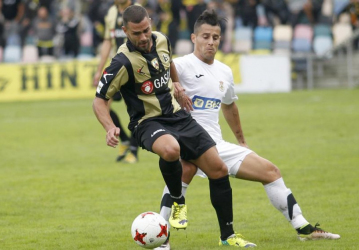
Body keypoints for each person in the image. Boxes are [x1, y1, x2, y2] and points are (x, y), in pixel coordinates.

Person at [155, 9, 341, 250]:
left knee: (271, 171)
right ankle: (161, 238)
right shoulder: (179, 66)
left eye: (215, 37)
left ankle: (304, 228)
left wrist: (242, 142)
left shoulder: (224, 71)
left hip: (216, 145)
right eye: (205, 36)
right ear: (193, 38)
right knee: (184, 171)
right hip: (188, 141)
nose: (211, 42)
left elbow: (229, 105)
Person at [93, 4, 256, 248]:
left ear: (150, 22)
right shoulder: (121, 63)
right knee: (171, 150)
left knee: (218, 169)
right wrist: (108, 126)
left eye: (146, 30)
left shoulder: (161, 40)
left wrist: (177, 84)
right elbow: (99, 101)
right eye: (136, 33)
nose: (144, 37)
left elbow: (169, 64)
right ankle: (178, 200)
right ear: (125, 31)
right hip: (146, 122)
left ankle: (228, 236)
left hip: (177, 116)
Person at [92, 0, 138, 163]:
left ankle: (133, 151)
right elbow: (107, 41)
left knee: (135, 110)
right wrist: (99, 70)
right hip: (117, 67)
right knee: (103, 105)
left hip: (134, 67)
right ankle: (124, 139)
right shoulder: (112, 12)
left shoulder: (137, 10)